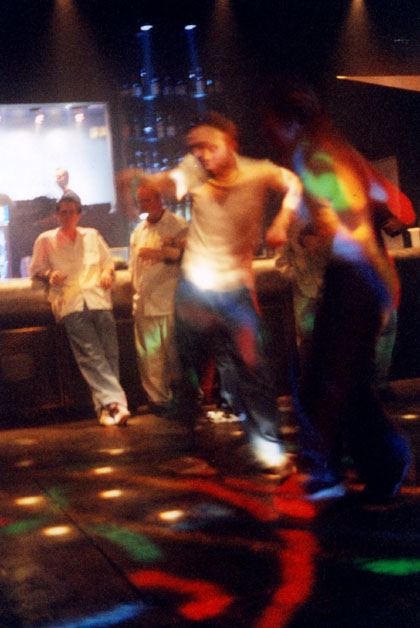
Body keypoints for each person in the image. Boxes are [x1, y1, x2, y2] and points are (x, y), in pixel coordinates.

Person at [117, 110, 302, 476]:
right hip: (195, 286)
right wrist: (137, 179)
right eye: (194, 147)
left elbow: (293, 183)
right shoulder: (194, 171)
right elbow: (168, 180)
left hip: (234, 287)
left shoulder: (257, 171)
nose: (200, 154)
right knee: (185, 370)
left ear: (230, 142)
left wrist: (282, 220)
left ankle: (269, 449)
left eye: (207, 146)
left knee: (252, 367)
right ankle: (190, 448)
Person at [262, 76, 413, 502]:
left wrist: (332, 220)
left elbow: (349, 201)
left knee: (325, 380)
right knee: (341, 379)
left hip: (357, 276)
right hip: (362, 274)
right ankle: (373, 463)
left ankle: (339, 467)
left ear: (290, 122)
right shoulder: (334, 148)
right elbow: (382, 193)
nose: (270, 136)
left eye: (271, 126)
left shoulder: (315, 154)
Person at [30, 191, 130, 426]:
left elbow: (107, 262)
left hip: (98, 299)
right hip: (71, 303)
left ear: (79, 214)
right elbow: (36, 269)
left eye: (71, 212)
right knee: (90, 355)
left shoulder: (92, 235)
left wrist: (107, 273)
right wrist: (50, 273)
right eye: (63, 212)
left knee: (109, 354)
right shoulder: (45, 239)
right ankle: (118, 404)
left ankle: (105, 410)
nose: (67, 216)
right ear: (57, 214)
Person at [129, 179, 188, 415]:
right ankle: (157, 401)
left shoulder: (177, 224)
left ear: (159, 198)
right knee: (149, 357)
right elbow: (134, 267)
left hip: (171, 299)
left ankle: (185, 399)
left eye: (148, 199)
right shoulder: (138, 230)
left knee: (175, 356)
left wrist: (161, 253)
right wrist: (135, 293)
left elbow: (190, 256)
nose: (144, 205)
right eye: (140, 201)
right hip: (145, 301)